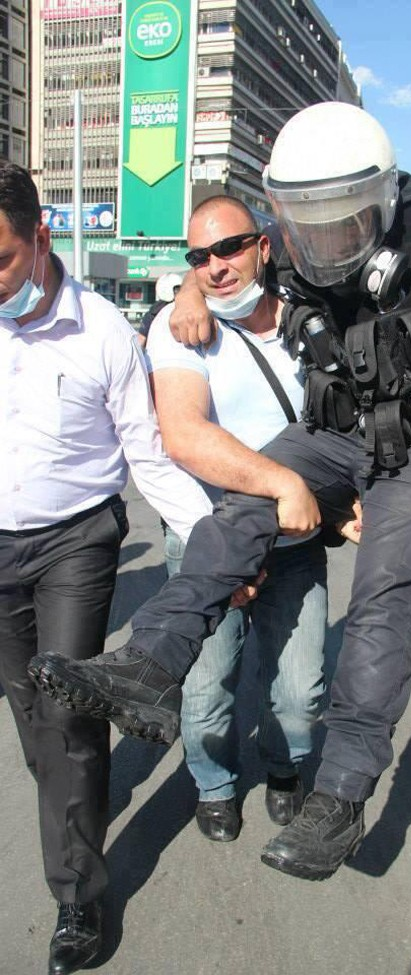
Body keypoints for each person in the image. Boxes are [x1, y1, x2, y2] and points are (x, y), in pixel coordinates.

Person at [30, 105, 411, 885]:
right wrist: (188, 290)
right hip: (336, 426)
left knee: (389, 597)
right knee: (241, 509)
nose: (323, 244)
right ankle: (149, 665)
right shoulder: (287, 247)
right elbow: (223, 262)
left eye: (342, 221)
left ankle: (342, 793)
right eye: (305, 223)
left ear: (383, 198)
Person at [0, 163, 214, 975]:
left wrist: (213, 541)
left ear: (41, 238)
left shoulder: (104, 334)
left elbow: (149, 458)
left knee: (66, 715)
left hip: (77, 542)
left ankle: (77, 895)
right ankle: (73, 798)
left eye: (2, 261)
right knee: (31, 717)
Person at [146, 194, 327, 842]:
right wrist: (280, 482)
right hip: (208, 531)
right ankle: (215, 781)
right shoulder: (180, 325)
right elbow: (184, 436)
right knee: (206, 689)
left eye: (229, 248)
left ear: (264, 246)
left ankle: (284, 767)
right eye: (200, 256)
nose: (216, 265)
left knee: (302, 688)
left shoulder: (310, 319)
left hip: (297, 542)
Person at [136, 271, 182, 348]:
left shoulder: (153, 312)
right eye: (178, 289)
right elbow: (141, 340)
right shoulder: (153, 313)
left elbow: (141, 341)